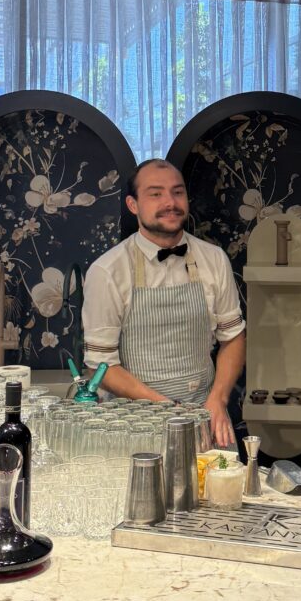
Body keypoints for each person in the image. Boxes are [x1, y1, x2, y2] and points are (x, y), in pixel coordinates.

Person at [82, 159, 245, 446]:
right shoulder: (108, 271)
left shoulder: (214, 259)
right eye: (155, 194)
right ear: (133, 205)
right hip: (135, 424)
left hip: (205, 417)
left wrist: (218, 399)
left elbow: (233, 337)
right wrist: (167, 409)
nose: (170, 202)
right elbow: (101, 366)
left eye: (177, 192)